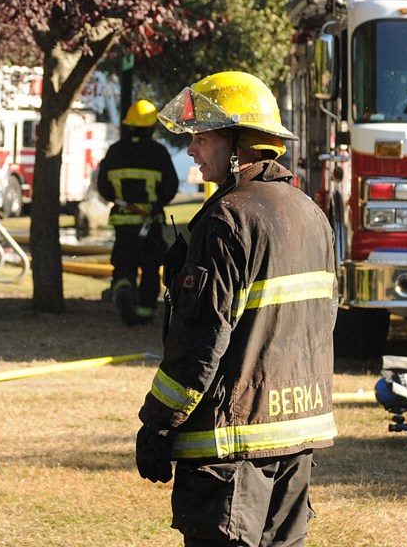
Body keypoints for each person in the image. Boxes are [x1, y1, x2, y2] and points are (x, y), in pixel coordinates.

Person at [136, 72, 338, 546]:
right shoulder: (311, 213)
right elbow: (325, 318)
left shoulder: (228, 218)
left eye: (201, 139)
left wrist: (158, 423)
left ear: (237, 144)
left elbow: (201, 337)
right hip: (298, 433)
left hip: (232, 444)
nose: (191, 151)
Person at [97, 99, 179, 326]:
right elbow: (170, 187)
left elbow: (103, 187)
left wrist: (121, 201)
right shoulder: (159, 153)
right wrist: (154, 205)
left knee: (123, 261)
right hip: (149, 222)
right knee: (151, 266)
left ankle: (123, 287)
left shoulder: (115, 152)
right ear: (151, 126)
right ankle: (145, 312)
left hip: (123, 222)